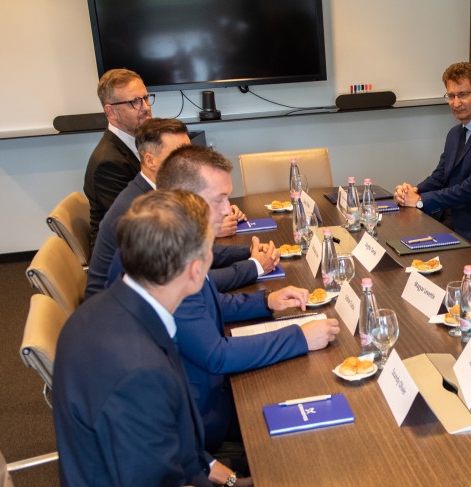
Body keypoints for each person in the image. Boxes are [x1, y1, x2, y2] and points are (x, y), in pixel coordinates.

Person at [53, 189, 271, 487]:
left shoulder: (113, 308)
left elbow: (160, 452)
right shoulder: (138, 371)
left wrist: (229, 481)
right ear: (196, 271)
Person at [160, 146, 340, 453]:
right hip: (200, 417)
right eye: (219, 199)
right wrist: (299, 337)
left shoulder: (181, 238)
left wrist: (266, 301)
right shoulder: (167, 261)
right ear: (186, 199)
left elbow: (209, 304)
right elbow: (217, 355)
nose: (228, 209)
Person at [88, 121, 274, 299]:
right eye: (180, 154)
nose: (191, 161)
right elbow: (192, 281)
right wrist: (254, 266)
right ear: (150, 161)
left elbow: (193, 249)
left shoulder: (160, 192)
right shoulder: (143, 210)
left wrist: (247, 251)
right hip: (121, 311)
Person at [394, 62, 471, 245]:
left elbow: (470, 188)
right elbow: (440, 176)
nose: (456, 103)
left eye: (463, 94)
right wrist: (411, 192)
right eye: (451, 96)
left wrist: (420, 200)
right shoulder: (454, 133)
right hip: (446, 219)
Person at [84, 69, 152, 245]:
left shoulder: (140, 141)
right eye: (134, 102)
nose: (146, 107)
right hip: (123, 254)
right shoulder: (108, 163)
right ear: (111, 111)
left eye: (146, 98)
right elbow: (135, 226)